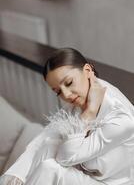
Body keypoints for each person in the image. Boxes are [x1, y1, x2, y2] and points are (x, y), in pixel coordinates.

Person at [0, 48, 134, 185]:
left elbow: (66, 157)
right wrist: (16, 174)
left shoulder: (121, 119)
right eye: (58, 92)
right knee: (49, 144)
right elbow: (47, 137)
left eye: (69, 83)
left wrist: (89, 113)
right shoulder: (82, 96)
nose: (66, 95)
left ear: (88, 71)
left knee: (50, 170)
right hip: (88, 171)